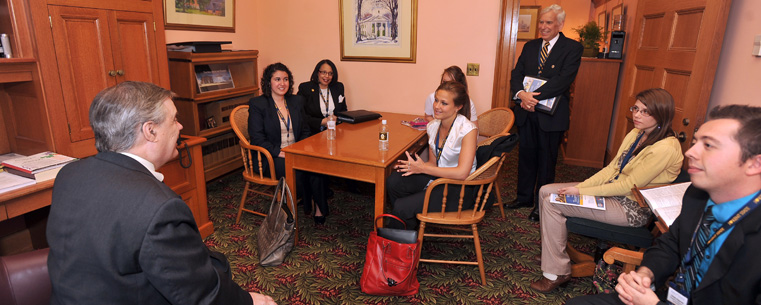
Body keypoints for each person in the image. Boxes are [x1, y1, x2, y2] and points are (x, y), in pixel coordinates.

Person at [46, 81, 275, 305]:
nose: (180, 127)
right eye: (174, 119)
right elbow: (202, 296)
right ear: (151, 131)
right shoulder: (159, 208)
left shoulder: (69, 174)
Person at [567, 104, 761, 305]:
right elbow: (671, 244)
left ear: (755, 164)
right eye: (695, 143)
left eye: (709, 145)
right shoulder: (696, 195)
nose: (690, 153)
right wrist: (646, 274)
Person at [530, 88, 683, 293]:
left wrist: (582, 192)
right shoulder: (637, 133)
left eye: (645, 111)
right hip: (614, 193)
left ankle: (556, 272)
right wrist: (580, 187)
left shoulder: (665, 148)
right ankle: (552, 252)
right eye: (636, 108)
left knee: (551, 202)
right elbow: (612, 169)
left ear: (661, 114)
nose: (636, 115)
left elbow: (629, 186)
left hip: (632, 208)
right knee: (545, 190)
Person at [506, 4, 584, 222]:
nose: (543, 26)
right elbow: (516, 74)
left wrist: (533, 97)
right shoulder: (530, 47)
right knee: (526, 157)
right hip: (526, 111)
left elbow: (563, 81)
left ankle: (542, 204)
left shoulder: (572, 48)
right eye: (541, 22)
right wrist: (522, 94)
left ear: (560, 24)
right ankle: (523, 198)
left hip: (551, 116)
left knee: (547, 161)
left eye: (548, 22)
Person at [386, 81, 478, 229]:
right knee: (394, 181)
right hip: (438, 178)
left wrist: (422, 169)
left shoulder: (467, 130)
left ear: (458, 107)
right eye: (436, 100)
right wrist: (414, 166)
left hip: (459, 188)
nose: (436, 106)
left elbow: (462, 173)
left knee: (402, 206)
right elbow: (432, 163)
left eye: (444, 103)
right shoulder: (433, 126)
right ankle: (410, 227)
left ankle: (400, 236)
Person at [249, 62, 329, 224]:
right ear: (268, 82)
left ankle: (320, 208)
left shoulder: (296, 101)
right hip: (270, 156)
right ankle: (301, 205)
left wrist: (302, 149)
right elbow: (257, 138)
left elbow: (305, 130)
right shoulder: (258, 104)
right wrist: (279, 152)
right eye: (277, 79)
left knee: (318, 167)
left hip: (295, 151)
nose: (282, 83)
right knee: (299, 173)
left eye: (285, 79)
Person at [298, 59, 348, 135]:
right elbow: (301, 115)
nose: (327, 76)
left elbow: (344, 110)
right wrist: (321, 122)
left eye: (330, 73)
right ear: (317, 72)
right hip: (313, 134)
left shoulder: (338, 87)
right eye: (324, 72)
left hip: (335, 132)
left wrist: (337, 119)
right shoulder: (305, 88)